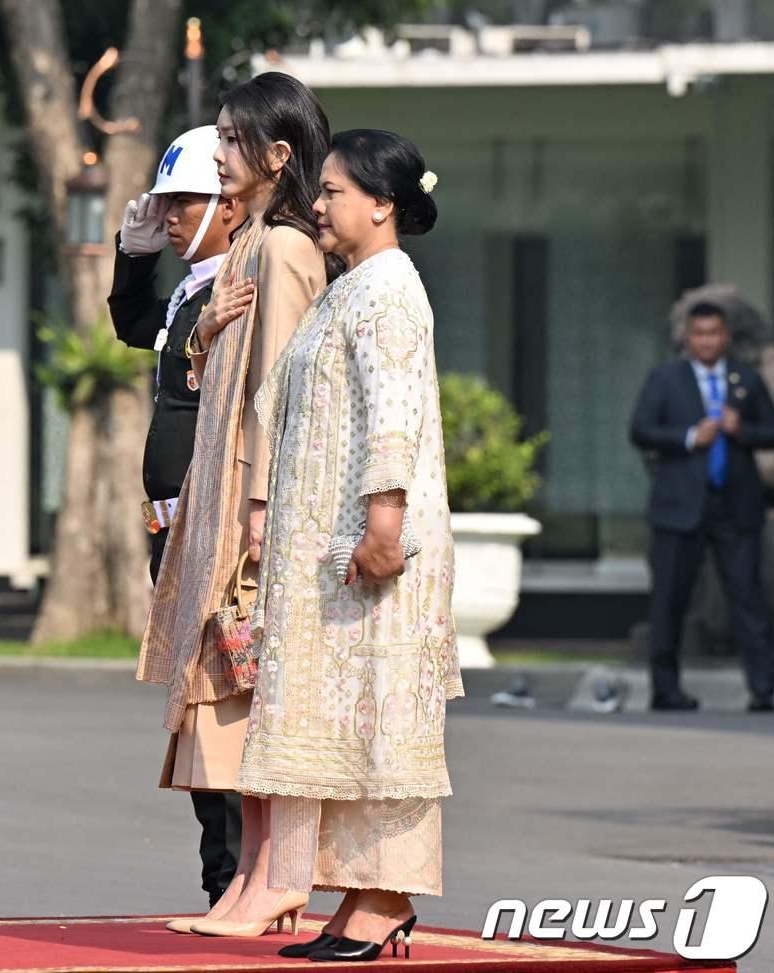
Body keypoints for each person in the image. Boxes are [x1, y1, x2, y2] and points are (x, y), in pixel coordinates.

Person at [234, 129, 459, 963]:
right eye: (319, 190)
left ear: (382, 204)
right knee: (345, 722)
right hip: (334, 546)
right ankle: (361, 892)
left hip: (373, 544)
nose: (318, 205)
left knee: (381, 716)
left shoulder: (391, 290)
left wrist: (384, 529)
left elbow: (393, 418)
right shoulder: (348, 288)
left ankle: (387, 896)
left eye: (332, 191)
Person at [136, 72, 330, 939]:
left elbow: (284, 390)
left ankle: (273, 878)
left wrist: (260, 507)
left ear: (276, 156)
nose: (217, 154)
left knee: (250, 692)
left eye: (230, 138)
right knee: (225, 692)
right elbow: (212, 376)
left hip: (255, 503)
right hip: (217, 494)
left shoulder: (284, 247)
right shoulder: (249, 242)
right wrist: (208, 332)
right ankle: (250, 876)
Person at [109, 124, 250, 912]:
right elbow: (134, 329)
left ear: (231, 206)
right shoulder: (195, 284)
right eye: (164, 201)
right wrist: (132, 259)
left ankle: (231, 872)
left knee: (219, 695)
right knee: (190, 701)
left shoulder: (238, 281)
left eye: (187, 200)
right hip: (171, 521)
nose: (168, 214)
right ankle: (219, 872)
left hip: (211, 520)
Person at [629, 302, 774, 712]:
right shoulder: (665, 378)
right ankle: (667, 690)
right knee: (669, 601)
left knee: (748, 599)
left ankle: (764, 690)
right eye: (700, 333)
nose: (707, 340)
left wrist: (740, 428)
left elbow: (770, 430)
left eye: (714, 333)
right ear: (688, 337)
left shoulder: (744, 378)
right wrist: (691, 436)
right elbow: (640, 430)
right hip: (679, 507)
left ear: (725, 336)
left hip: (735, 506)